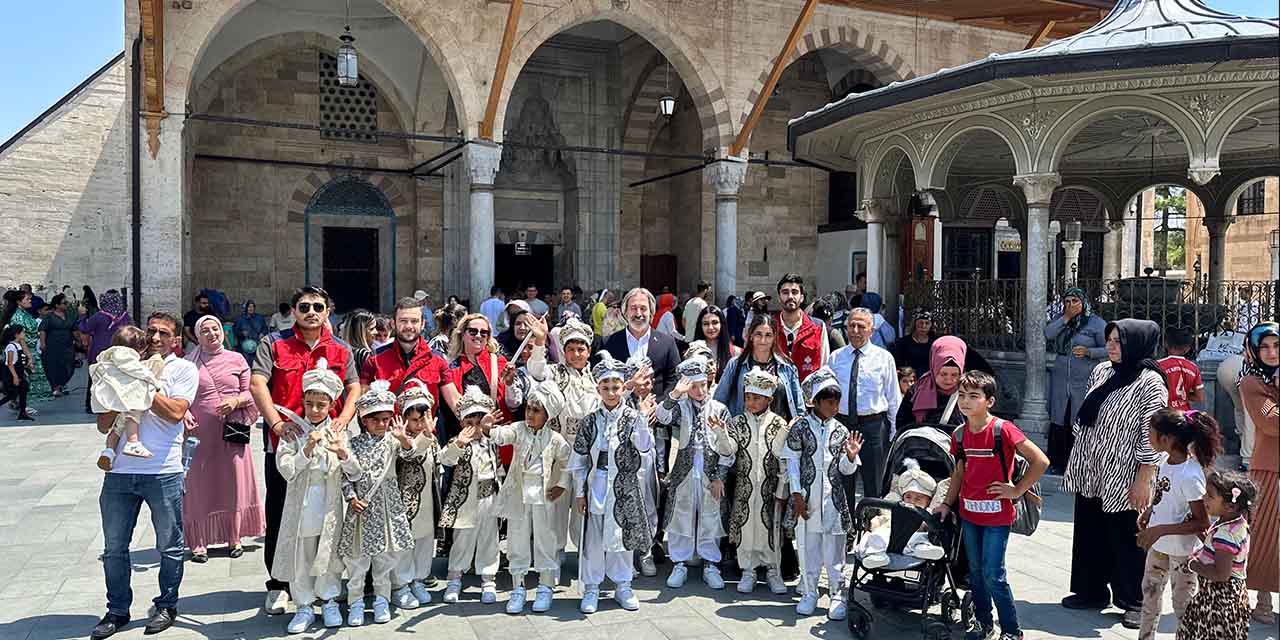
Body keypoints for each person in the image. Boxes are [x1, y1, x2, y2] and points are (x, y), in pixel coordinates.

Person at [251, 286, 361, 616]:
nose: (310, 311)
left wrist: (344, 417)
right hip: (287, 445)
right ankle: (279, 584)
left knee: (326, 515)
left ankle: (323, 583)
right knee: (281, 514)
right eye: (304, 306)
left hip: (328, 447)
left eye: (317, 306)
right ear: (294, 310)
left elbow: (354, 386)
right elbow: (258, 383)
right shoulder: (274, 343)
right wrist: (275, 424)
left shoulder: (341, 349)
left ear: (328, 311)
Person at [90, 312, 198, 640]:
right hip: (120, 472)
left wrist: (139, 385)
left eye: (163, 333)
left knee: (169, 544)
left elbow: (177, 412)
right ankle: (117, 610)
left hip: (162, 470)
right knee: (114, 548)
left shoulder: (182, 369)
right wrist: (118, 385)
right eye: (150, 331)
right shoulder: (122, 366)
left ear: (176, 340)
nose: (154, 338)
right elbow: (104, 424)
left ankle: (166, 604)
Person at [1061, 319, 1168, 629]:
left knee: (1127, 536)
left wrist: (1144, 478)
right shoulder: (1102, 371)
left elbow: (1152, 433)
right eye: (1109, 340)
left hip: (1126, 471)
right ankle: (1092, 590)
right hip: (1092, 467)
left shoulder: (1150, 382)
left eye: (1118, 341)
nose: (1110, 346)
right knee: (1090, 529)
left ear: (1137, 343)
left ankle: (1135, 600)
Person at [936, 370, 1048, 640]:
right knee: (974, 573)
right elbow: (959, 473)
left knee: (993, 575)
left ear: (989, 401)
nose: (965, 401)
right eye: (962, 395)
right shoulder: (960, 434)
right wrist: (946, 504)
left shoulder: (1002, 430)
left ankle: (1012, 632)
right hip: (969, 514)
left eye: (974, 396)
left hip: (997, 516)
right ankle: (984, 625)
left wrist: (1016, 490)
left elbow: (1041, 461)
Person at [570, 351, 653, 614]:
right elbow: (579, 458)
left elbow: (644, 446)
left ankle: (623, 585)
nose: (611, 392)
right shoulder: (590, 421)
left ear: (622, 388)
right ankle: (593, 587)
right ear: (598, 388)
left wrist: (642, 418)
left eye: (615, 386)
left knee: (622, 536)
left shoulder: (631, 417)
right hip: (597, 484)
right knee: (594, 537)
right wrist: (580, 491)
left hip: (625, 485)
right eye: (605, 386)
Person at [271, 359, 349, 633]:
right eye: (310, 404)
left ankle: (328, 600)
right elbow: (287, 470)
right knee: (301, 556)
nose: (315, 410)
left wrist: (341, 452)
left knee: (328, 554)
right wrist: (305, 450)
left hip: (329, 506)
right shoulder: (292, 432)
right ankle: (304, 605)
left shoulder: (340, 432)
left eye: (321, 405)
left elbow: (354, 470)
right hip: (302, 506)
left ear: (331, 405)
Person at [779, 366, 863, 619]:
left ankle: (838, 593)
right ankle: (809, 591)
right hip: (807, 498)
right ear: (814, 402)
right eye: (829, 402)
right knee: (808, 546)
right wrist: (796, 494)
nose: (835, 407)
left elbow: (847, 471)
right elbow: (791, 461)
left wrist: (851, 456)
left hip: (834, 501)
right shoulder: (800, 427)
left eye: (837, 402)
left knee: (835, 548)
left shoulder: (841, 430)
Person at [182, 315, 265, 562]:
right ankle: (199, 541)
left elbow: (252, 391)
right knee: (199, 483)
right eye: (205, 330)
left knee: (234, 482)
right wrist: (184, 412)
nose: (211, 334)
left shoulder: (237, 359)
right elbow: (177, 395)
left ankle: (234, 536)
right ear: (197, 336)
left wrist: (236, 401)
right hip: (200, 432)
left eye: (215, 328)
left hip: (232, 430)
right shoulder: (188, 364)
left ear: (222, 331)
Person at [489, 380, 572, 614]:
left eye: (537, 411)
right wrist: (488, 427)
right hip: (519, 493)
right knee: (517, 538)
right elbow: (501, 435)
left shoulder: (555, 439)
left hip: (544, 495)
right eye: (528, 408)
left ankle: (545, 586)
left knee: (546, 539)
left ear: (548, 415)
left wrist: (562, 485)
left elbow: (569, 462)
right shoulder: (518, 429)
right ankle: (518, 587)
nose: (530, 414)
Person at [338, 381, 417, 627]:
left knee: (384, 558)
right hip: (361, 508)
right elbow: (344, 475)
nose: (381, 424)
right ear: (364, 420)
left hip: (387, 508)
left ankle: (382, 599)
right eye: (375, 419)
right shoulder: (354, 443)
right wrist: (351, 498)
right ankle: (356, 602)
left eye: (385, 418)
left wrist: (403, 438)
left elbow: (410, 454)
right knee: (357, 561)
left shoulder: (393, 441)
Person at [1135, 408, 1218, 640]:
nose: (1148, 436)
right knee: (1149, 600)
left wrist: (1160, 530)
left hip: (1183, 554)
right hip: (1159, 548)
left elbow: (1202, 521)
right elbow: (1164, 494)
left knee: (1183, 606)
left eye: (1151, 432)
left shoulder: (1190, 475)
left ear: (1167, 439)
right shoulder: (1165, 462)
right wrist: (1151, 510)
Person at [656, 355, 736, 590]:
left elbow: (729, 449)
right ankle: (679, 562)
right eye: (694, 386)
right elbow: (662, 416)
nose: (700, 391)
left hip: (710, 470)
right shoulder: (680, 407)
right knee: (682, 512)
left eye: (703, 385)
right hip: (685, 470)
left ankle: (711, 563)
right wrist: (675, 394)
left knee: (711, 514)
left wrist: (720, 476)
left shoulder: (719, 409)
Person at [723, 367, 792, 594]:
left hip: (770, 488)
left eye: (757, 398)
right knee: (747, 526)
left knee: (770, 526)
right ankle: (748, 570)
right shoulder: (737, 422)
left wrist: (783, 487)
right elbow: (729, 450)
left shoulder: (779, 423)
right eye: (748, 397)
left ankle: (773, 570)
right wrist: (720, 433)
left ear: (769, 399)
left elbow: (782, 455)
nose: (751, 402)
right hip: (745, 487)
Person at [437, 385, 505, 605]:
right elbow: (445, 459)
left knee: (489, 538)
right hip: (465, 499)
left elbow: (500, 468)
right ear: (461, 423)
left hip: (489, 497)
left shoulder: (492, 442)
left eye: (479, 423)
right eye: (469, 423)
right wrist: (459, 443)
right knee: (463, 539)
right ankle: (455, 577)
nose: (475, 428)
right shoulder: (458, 443)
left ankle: (488, 578)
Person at [829, 307, 902, 501]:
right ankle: (848, 526)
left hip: (873, 427)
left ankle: (872, 524)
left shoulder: (884, 358)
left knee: (874, 482)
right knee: (844, 480)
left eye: (861, 326)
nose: (855, 330)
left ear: (871, 330)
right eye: (851, 325)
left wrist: (895, 432)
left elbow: (893, 397)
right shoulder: (836, 358)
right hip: (843, 424)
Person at [1175, 471, 1256, 640]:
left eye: (1210, 496)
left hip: (1217, 602)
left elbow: (1221, 574)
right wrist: (1201, 535)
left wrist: (1193, 564)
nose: (1204, 498)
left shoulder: (1225, 534)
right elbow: (1219, 551)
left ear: (1230, 506)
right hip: (1228, 600)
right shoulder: (1236, 523)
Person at [1044, 289, 1109, 475]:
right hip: (1061, 375)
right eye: (1067, 301)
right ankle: (1057, 462)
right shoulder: (1061, 319)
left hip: (1084, 376)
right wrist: (1065, 317)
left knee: (1079, 417)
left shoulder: (1096, 323)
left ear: (1083, 302)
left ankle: (1079, 463)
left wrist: (1090, 352)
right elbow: (1048, 334)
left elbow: (1108, 347)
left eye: (1075, 301)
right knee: (1059, 417)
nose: (1070, 304)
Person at [1240, 321, 1278, 624]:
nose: (1271, 352)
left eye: (1277, 346)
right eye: (1264, 346)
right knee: (1266, 535)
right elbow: (1270, 423)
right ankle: (1262, 602)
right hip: (1269, 468)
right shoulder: (1252, 382)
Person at [390, 382, 440, 611]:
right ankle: (400, 584)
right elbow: (409, 454)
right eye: (415, 420)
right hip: (405, 500)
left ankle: (418, 578)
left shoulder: (429, 437)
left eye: (423, 419)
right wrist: (414, 437)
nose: (419, 424)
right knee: (405, 542)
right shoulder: (398, 439)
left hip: (428, 499)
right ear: (404, 419)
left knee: (424, 540)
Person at [91, 326, 166, 468]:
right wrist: (154, 381)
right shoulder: (125, 355)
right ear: (139, 348)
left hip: (110, 396)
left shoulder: (109, 354)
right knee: (133, 415)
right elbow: (135, 370)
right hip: (124, 395)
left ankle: (108, 451)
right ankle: (133, 442)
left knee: (117, 427)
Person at [854, 458, 947, 568]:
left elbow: (932, 526)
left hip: (911, 542)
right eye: (908, 497)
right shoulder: (894, 507)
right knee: (877, 535)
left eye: (918, 499)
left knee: (920, 537)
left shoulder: (927, 512)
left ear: (928, 502)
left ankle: (923, 549)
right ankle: (876, 555)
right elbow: (882, 519)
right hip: (888, 539)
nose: (912, 501)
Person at [360, 298, 450, 406]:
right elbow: (362, 401)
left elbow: (452, 398)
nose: (409, 326)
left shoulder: (437, 359)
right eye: (403, 321)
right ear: (393, 324)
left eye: (414, 321)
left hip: (426, 422)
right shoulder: (374, 359)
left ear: (422, 324)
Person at [716, 314, 805, 420]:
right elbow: (718, 403)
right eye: (758, 334)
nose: (763, 340)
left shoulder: (787, 367)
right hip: (743, 433)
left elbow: (799, 408)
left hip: (780, 432)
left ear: (774, 338)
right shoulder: (735, 365)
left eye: (768, 335)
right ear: (751, 336)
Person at [440, 313, 510, 445]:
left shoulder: (500, 362)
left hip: (496, 434)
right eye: (473, 331)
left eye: (484, 333)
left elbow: (509, 401)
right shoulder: (450, 367)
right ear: (462, 334)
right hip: (465, 436)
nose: (478, 335)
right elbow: (455, 405)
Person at [603, 287, 682, 400]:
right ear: (625, 312)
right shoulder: (610, 343)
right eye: (633, 308)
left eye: (643, 308)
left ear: (651, 312)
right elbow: (604, 379)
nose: (638, 313)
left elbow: (674, 378)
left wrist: (661, 407)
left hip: (658, 412)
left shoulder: (667, 343)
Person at [897, 336, 968, 429]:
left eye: (954, 375)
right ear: (934, 369)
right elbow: (902, 424)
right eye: (943, 374)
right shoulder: (916, 391)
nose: (948, 379)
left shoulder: (968, 391)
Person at [80, 290, 132, 411]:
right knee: (117, 377)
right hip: (118, 350)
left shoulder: (99, 316)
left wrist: (82, 316)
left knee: (95, 377)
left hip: (99, 350)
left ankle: (92, 404)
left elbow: (85, 328)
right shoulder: (125, 316)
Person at [774, 274, 828, 381]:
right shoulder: (770, 327)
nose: (790, 296)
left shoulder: (818, 327)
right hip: (777, 394)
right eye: (785, 292)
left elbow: (824, 365)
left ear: (802, 297)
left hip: (808, 394)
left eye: (794, 292)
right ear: (779, 297)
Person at [2, 290, 51, 402]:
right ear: (19, 302)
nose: (30, 301)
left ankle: (21, 404)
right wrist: (28, 355)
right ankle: (20, 404)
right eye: (27, 299)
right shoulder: (18, 317)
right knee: (24, 378)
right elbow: (20, 338)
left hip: (32, 348)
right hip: (23, 350)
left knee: (29, 379)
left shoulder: (26, 314)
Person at [38, 293, 78, 396]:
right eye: (64, 303)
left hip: (68, 345)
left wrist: (79, 341)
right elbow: (42, 330)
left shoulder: (69, 315)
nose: (66, 305)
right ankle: (56, 386)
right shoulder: (49, 317)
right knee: (53, 366)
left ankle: (62, 383)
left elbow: (74, 329)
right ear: (57, 305)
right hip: (53, 345)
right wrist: (42, 343)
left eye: (67, 303)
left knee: (69, 365)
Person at [1158, 326, 1205, 412]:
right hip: (1184, 416)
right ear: (1187, 349)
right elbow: (1200, 398)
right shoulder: (1194, 368)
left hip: (1164, 415)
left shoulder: (1158, 365)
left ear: (1166, 344)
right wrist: (1185, 395)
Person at [692, 305, 740, 384]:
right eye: (706, 324)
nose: (711, 327)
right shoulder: (693, 351)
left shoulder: (736, 353)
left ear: (722, 324)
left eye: (715, 322)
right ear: (700, 326)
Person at [1, 325, 34, 421]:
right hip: (12, 374)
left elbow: (19, 360)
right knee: (11, 395)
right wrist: (15, 377)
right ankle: (22, 412)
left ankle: (22, 412)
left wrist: (27, 365)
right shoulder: (11, 347)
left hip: (19, 372)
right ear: (16, 334)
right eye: (23, 332)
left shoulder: (18, 345)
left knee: (23, 390)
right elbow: (10, 363)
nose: (24, 334)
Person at [341, 309, 377, 376]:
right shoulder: (363, 354)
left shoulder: (344, 351)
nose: (376, 332)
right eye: (372, 329)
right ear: (361, 332)